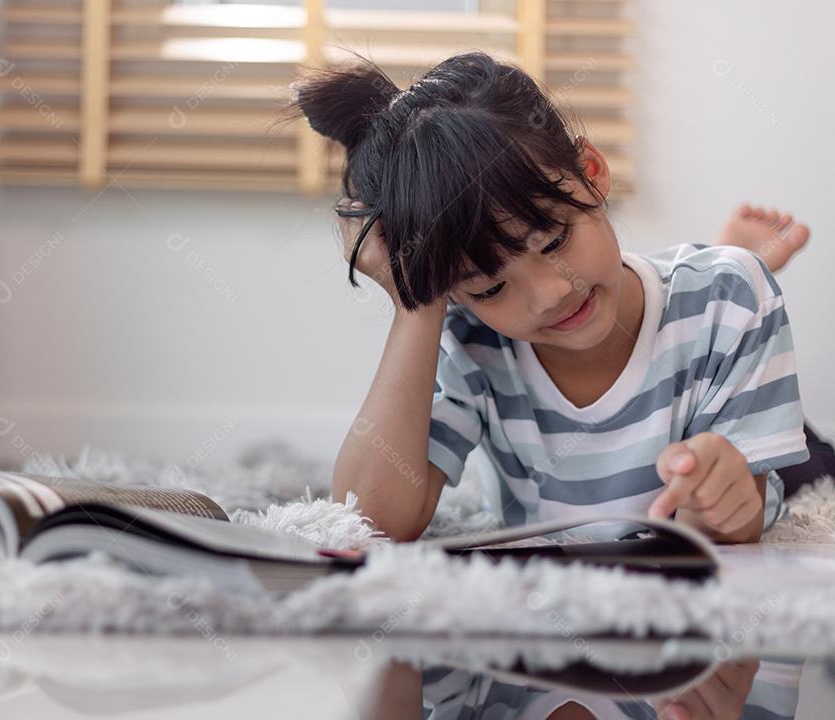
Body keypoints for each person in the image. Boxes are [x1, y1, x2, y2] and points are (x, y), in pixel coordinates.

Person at [289, 50, 816, 544]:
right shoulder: (469, 338)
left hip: (732, 368)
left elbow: (734, 530)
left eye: (555, 240)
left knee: (807, 462)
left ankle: (716, 265)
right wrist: (415, 302)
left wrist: (713, 493)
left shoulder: (734, 300)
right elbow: (369, 520)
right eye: (489, 286)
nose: (550, 294)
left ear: (591, 172)